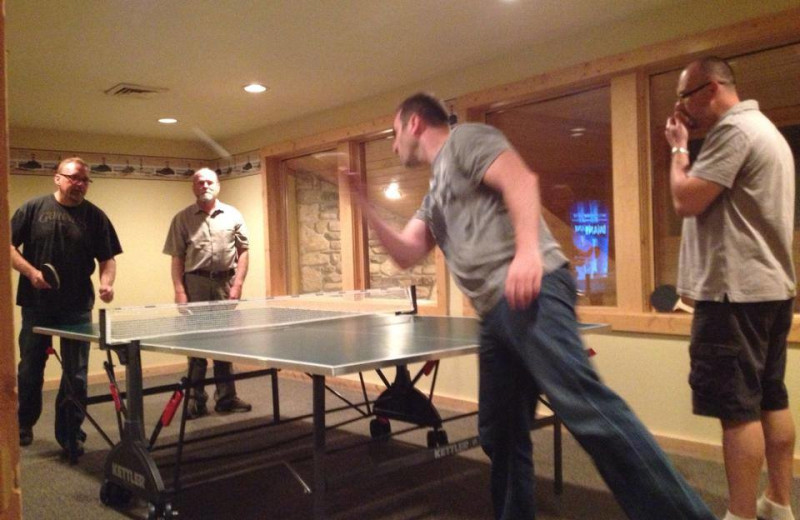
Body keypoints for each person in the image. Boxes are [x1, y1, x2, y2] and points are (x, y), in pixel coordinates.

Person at [343, 92, 716, 519]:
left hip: (530, 292)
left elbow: (520, 180)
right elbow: (408, 251)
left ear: (413, 123)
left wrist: (527, 253)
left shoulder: (465, 141)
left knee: (588, 411)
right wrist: (365, 207)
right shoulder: (436, 192)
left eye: (394, 134)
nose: (393, 146)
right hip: (495, 314)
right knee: (499, 433)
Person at [665, 57, 796, 520]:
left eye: (685, 95)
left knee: (738, 411)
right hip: (770, 291)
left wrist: (679, 149)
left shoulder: (734, 132)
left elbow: (684, 199)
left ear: (712, 88)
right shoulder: (768, 133)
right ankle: (778, 504)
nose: (681, 106)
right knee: (770, 397)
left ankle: (739, 515)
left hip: (733, 294)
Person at [10, 157, 122, 456]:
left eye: (85, 180)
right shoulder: (32, 209)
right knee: (31, 367)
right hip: (36, 304)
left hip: (77, 307)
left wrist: (107, 283)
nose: (80, 185)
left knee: (77, 373)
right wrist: (31, 272)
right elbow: (6, 246)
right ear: (57, 178)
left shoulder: (95, 217)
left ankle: (70, 433)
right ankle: (23, 423)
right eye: (74, 178)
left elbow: (108, 258)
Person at [163, 168, 252, 419]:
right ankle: (195, 400)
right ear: (193, 187)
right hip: (196, 284)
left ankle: (226, 398)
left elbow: (243, 251)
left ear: (218, 185)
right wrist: (180, 290)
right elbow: (177, 257)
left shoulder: (233, 215)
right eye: (199, 182)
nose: (204, 185)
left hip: (225, 284)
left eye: (209, 181)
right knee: (197, 345)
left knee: (225, 344)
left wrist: (238, 284)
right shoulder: (182, 219)